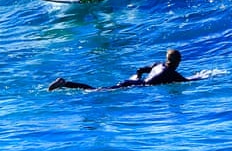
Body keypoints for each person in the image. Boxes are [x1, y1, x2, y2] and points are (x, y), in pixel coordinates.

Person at [49, 49, 197, 91]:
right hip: (135, 85)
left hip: (135, 82)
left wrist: (136, 76)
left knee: (99, 89)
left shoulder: (159, 65)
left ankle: (65, 84)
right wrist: (205, 76)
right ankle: (64, 83)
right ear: (177, 61)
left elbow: (140, 69)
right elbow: (187, 81)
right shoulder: (171, 73)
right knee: (96, 90)